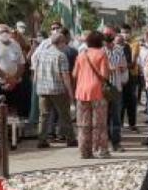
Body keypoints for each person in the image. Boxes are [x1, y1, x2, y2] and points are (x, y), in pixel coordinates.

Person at [31, 30, 77, 148]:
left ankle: (42, 140)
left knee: (44, 115)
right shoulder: (61, 56)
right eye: (64, 43)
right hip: (57, 89)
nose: (65, 45)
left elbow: (36, 71)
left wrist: (36, 84)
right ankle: (71, 139)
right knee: (65, 114)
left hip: (42, 89)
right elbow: (65, 76)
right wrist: (71, 93)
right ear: (60, 43)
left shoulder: (41, 54)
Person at [72, 31, 113, 159]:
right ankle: (101, 150)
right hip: (98, 91)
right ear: (100, 42)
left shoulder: (81, 55)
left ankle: (84, 151)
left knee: (83, 124)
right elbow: (105, 75)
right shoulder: (102, 54)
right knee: (99, 123)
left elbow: (74, 74)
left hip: (81, 91)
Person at [106, 28, 129, 151]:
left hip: (116, 87)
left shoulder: (119, 51)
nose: (109, 43)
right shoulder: (100, 51)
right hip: (103, 88)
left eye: (110, 39)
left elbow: (124, 67)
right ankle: (105, 142)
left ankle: (116, 143)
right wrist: (113, 68)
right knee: (104, 116)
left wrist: (120, 69)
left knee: (116, 116)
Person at [121, 24, 141, 132]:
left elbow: (133, 63)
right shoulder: (118, 43)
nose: (124, 35)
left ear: (130, 32)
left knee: (130, 101)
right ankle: (119, 123)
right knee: (120, 101)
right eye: (122, 32)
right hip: (120, 76)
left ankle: (132, 124)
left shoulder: (135, 44)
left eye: (126, 32)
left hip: (131, 75)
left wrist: (121, 66)